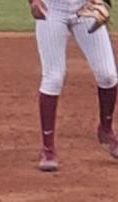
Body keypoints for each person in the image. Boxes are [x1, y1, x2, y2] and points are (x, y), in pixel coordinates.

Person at [31, 0, 118, 171]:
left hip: (86, 8)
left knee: (108, 75)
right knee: (53, 77)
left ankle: (106, 130)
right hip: (51, 10)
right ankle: (48, 149)